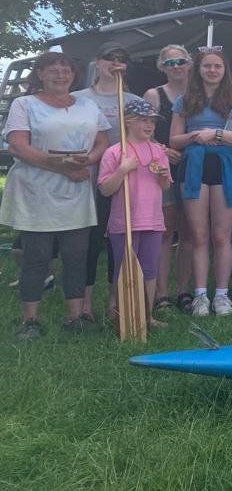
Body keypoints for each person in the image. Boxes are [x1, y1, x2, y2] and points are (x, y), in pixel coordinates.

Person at [1, 53, 110, 338]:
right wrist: (63, 168)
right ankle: (30, 321)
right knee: (37, 255)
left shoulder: (88, 105)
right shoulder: (25, 104)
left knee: (76, 254)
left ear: (74, 75)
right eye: (52, 69)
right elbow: (18, 146)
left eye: (66, 70)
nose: (60, 74)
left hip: (77, 189)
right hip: (36, 190)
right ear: (40, 73)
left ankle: (76, 318)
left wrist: (90, 160)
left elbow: (102, 140)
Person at [169, 48, 232, 317]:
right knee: (198, 236)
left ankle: (221, 295)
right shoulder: (185, 101)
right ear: (198, 69)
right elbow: (174, 140)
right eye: (207, 66)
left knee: (221, 235)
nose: (212, 70)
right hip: (194, 167)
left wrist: (216, 133)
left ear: (224, 70)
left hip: (224, 167)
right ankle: (200, 296)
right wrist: (197, 135)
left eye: (217, 66)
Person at [73, 41, 143, 322]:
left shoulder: (133, 100)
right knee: (90, 242)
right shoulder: (79, 98)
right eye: (109, 58)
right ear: (98, 62)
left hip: (124, 180)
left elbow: (144, 138)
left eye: (121, 59)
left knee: (120, 241)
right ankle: (85, 305)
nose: (115, 63)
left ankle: (115, 302)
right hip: (88, 179)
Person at [98, 99, 173, 328]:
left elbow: (165, 187)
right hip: (125, 222)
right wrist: (122, 170)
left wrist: (163, 177)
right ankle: (122, 316)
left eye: (152, 122)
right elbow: (105, 189)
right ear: (128, 122)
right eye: (143, 120)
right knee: (124, 270)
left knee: (149, 270)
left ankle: (146, 316)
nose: (149, 125)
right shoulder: (115, 152)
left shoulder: (158, 151)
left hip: (153, 220)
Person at [142, 44, 193, 311]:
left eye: (180, 61)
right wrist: (163, 150)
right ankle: (162, 294)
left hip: (193, 169)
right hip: (163, 170)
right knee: (165, 232)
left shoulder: (200, 93)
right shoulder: (154, 95)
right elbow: (142, 132)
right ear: (162, 67)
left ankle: (183, 290)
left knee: (189, 232)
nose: (176, 67)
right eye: (170, 63)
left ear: (189, 64)